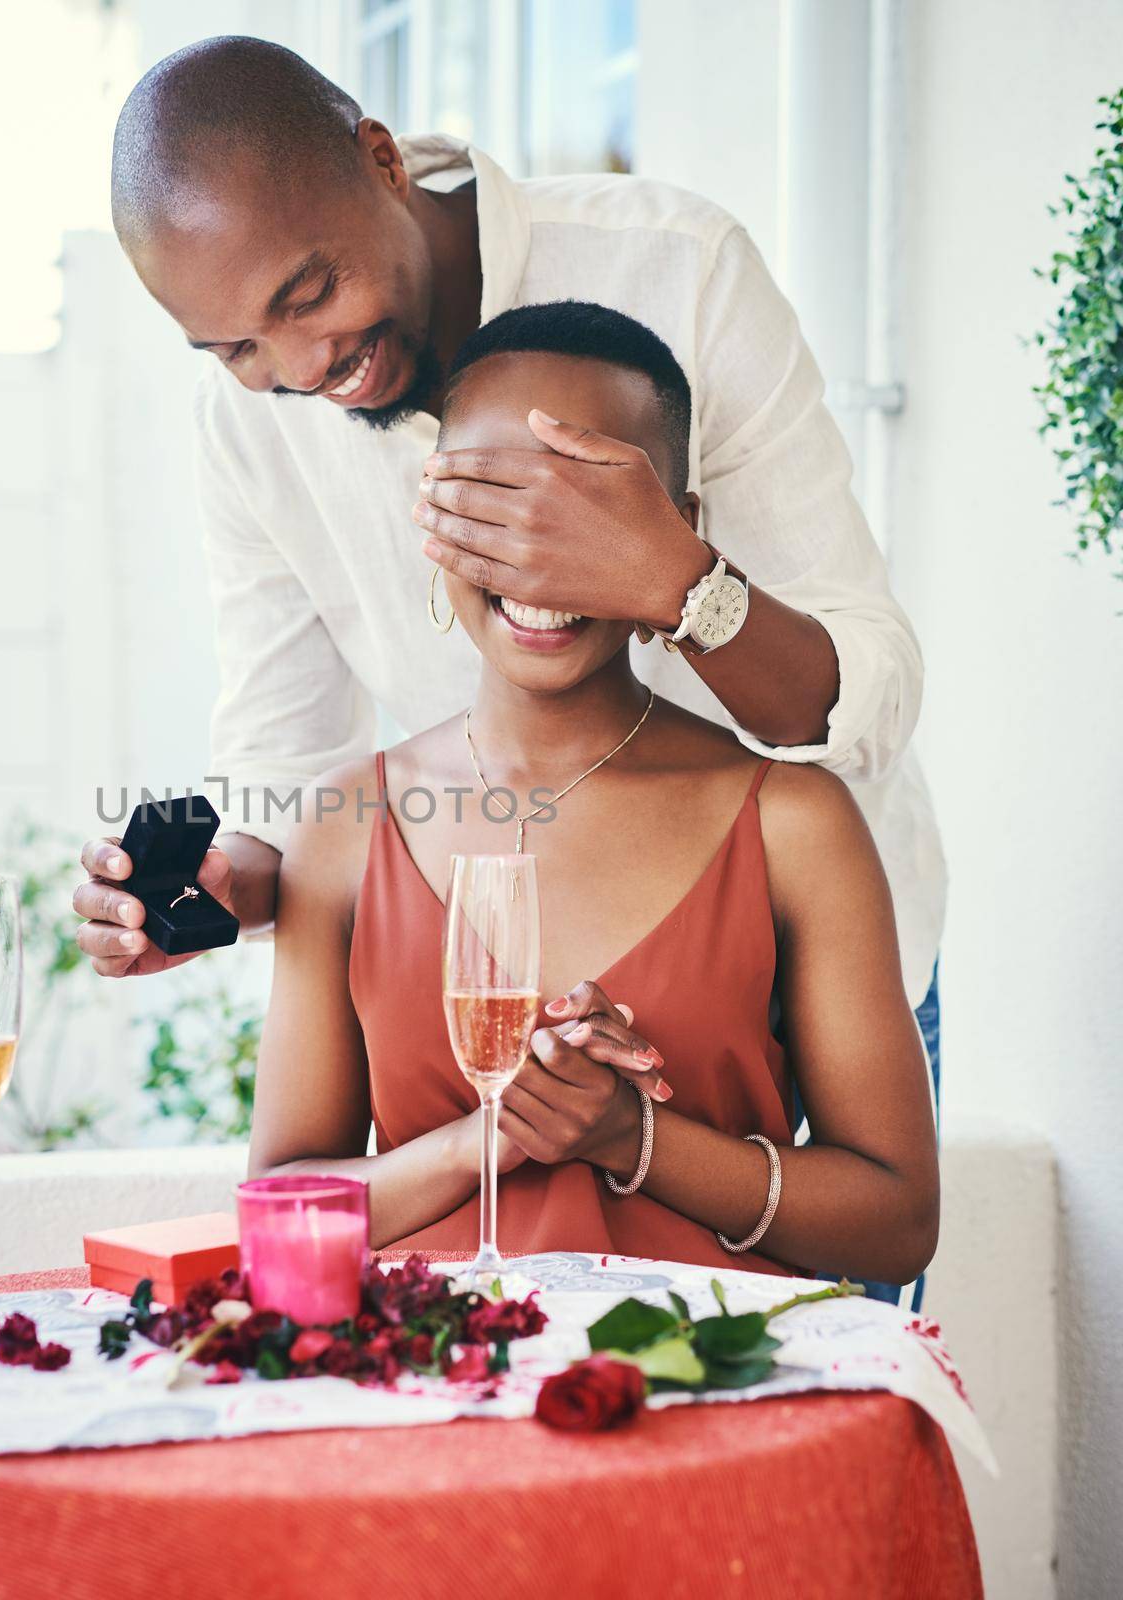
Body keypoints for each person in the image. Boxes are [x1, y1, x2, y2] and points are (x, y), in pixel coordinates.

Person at [76, 39, 944, 1289]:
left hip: (791, 986)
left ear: (381, 159)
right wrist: (206, 891)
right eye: (234, 348)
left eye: (308, 294)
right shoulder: (256, 426)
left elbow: (862, 705)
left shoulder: (676, 270)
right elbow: (285, 777)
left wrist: (674, 582)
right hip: (466, 974)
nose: (300, 370)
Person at [244, 301, 938, 1285]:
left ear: (677, 532)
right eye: (495, 501)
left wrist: (634, 1138)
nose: (540, 553)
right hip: (434, 1400)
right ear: (435, 518)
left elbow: (897, 1224)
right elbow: (278, 1219)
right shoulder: (346, 827)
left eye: (592, 508)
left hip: (710, 1400)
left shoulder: (792, 823)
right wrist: (483, 1141)